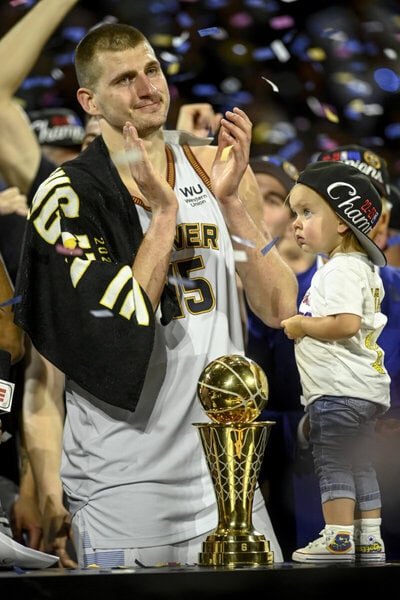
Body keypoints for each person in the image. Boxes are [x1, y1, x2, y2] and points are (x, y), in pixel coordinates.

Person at [15, 22, 298, 568]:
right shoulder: (67, 193)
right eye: (125, 79)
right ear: (89, 100)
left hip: (229, 474)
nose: (148, 89)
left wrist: (233, 207)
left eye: (152, 69)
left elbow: (280, 307)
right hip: (127, 484)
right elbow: (109, 330)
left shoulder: (214, 163)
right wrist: (164, 215)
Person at [281, 160, 390, 564]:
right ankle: (370, 538)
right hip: (361, 391)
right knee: (360, 463)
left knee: (333, 462)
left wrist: (301, 326)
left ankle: (339, 538)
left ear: (344, 222)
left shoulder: (339, 269)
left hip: (338, 391)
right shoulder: (359, 267)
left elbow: (345, 324)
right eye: (295, 213)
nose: (296, 223)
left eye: (307, 212)